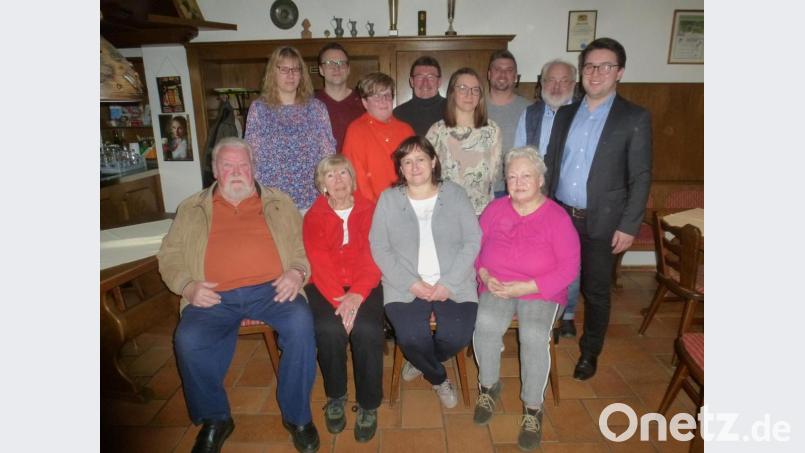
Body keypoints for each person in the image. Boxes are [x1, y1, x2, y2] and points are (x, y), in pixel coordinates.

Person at [157, 137, 320, 453]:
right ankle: (215, 418)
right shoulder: (190, 207)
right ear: (215, 170)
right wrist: (187, 286)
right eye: (228, 165)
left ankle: (297, 416)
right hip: (212, 294)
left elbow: (304, 247)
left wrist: (297, 271)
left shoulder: (279, 202)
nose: (236, 172)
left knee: (301, 324)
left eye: (243, 165)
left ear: (254, 168)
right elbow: (169, 255)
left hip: (273, 288)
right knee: (187, 339)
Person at [544, 37, 652, 381]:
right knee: (555, 279)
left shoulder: (633, 117)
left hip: (603, 223)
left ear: (619, 72)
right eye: (589, 65)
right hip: (561, 216)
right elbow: (551, 162)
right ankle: (548, 330)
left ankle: (590, 352)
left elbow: (641, 175)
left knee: (596, 290)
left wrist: (629, 225)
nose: (596, 73)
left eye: (605, 66)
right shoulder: (565, 113)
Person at [471, 146, 580, 451]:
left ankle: (533, 407)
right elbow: (475, 251)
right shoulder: (495, 209)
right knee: (485, 323)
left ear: (540, 179)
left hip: (542, 289)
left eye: (525, 176)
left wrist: (529, 286)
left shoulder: (557, 217)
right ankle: (489, 387)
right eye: (512, 176)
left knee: (533, 335)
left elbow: (569, 269)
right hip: (498, 284)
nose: (517, 182)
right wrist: (484, 275)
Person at [369, 136, 481, 409]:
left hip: (454, 283)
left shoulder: (454, 194)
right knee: (409, 337)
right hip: (404, 285)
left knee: (457, 336)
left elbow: (473, 240)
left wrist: (448, 284)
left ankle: (418, 359)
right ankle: (438, 377)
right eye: (407, 161)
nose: (415, 166)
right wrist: (412, 284)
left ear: (433, 161)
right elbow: (380, 247)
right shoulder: (388, 199)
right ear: (400, 168)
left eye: (420, 159)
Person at [302, 155, 384, 443]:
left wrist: (357, 294)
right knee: (328, 329)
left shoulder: (371, 210)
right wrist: (341, 300)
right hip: (326, 286)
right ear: (321, 183)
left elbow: (373, 255)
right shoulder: (314, 216)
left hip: (366, 284)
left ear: (353, 179)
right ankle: (336, 395)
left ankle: (369, 403)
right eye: (330, 176)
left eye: (343, 174)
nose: (338, 181)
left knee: (369, 330)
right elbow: (318, 260)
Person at [512, 59, 581, 337]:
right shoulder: (530, 114)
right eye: (551, 80)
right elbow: (519, 153)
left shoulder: (581, 114)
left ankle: (567, 313)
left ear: (574, 85)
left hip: (567, 198)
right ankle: (533, 304)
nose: (556, 86)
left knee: (569, 259)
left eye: (564, 81)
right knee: (534, 255)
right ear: (541, 84)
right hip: (534, 198)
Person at [245, 45, 336, 211]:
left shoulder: (317, 108)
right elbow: (251, 155)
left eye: (295, 69)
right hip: (272, 201)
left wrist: (329, 190)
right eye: (284, 69)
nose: (291, 74)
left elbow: (328, 154)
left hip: (311, 199)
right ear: (273, 72)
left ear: (302, 74)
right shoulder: (258, 109)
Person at [425, 67, 501, 215]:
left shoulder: (492, 130)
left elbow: (493, 175)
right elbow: (427, 174)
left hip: (483, 212)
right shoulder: (437, 131)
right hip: (447, 211)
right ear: (452, 93)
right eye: (462, 88)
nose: (469, 94)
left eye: (475, 90)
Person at [342, 72, 415, 203]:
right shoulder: (356, 130)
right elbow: (355, 177)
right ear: (365, 102)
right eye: (376, 96)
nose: (383, 101)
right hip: (372, 206)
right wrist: (376, 207)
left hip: (406, 203)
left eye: (387, 95)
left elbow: (416, 170)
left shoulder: (406, 130)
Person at [486, 50, 532, 197]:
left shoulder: (530, 109)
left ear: (515, 77)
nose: (502, 74)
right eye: (497, 69)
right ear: (489, 74)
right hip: (481, 188)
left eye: (508, 70)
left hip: (516, 188)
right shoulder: (474, 106)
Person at [314, 43, 365, 152]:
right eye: (329, 63)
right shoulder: (310, 104)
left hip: (355, 168)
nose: (336, 67)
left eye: (341, 63)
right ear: (321, 70)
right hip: (321, 168)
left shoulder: (365, 103)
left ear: (348, 69)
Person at [393, 56, 447, 136]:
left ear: (439, 82)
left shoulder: (452, 110)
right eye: (419, 77)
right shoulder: (398, 114)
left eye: (431, 77)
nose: (425, 82)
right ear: (412, 81)